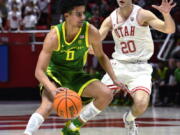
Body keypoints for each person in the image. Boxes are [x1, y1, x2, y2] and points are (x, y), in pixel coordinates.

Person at [23, 0, 127, 135]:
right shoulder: (54, 36)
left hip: (76, 74)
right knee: (47, 106)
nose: (83, 17)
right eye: (78, 14)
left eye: (84, 13)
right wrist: (53, 90)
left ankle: (72, 127)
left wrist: (114, 79)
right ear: (66, 16)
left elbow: (101, 56)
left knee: (106, 95)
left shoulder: (90, 31)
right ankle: (27, 133)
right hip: (54, 75)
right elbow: (39, 71)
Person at [99, 0, 176, 135]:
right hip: (119, 65)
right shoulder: (110, 19)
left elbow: (169, 29)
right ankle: (74, 125)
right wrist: (89, 45)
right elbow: (98, 38)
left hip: (139, 67)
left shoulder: (142, 14)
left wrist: (166, 15)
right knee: (97, 97)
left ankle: (129, 119)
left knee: (141, 103)